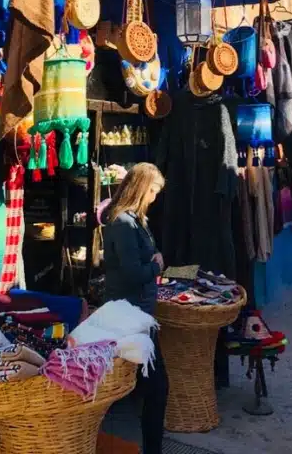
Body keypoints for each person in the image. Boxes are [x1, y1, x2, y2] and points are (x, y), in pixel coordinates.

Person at [102, 163, 168, 454]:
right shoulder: (124, 223)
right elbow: (131, 272)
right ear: (142, 189)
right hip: (131, 316)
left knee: (143, 386)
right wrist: (154, 265)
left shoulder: (135, 221)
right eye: (152, 191)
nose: (154, 197)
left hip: (139, 313)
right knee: (156, 387)